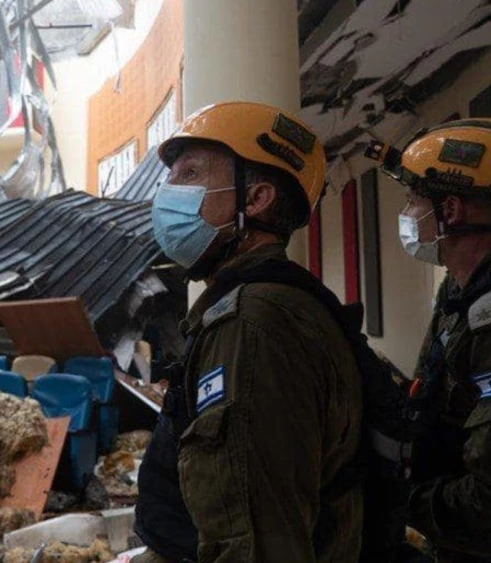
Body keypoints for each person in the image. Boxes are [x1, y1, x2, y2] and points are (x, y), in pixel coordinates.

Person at [134, 101, 364, 563]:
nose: (168, 193)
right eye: (171, 177)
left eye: (190, 174)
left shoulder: (254, 326)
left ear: (256, 199)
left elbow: (257, 541)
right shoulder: (252, 308)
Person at [367, 118, 491, 562]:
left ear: (451, 211)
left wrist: (401, 503)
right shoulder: (462, 293)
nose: (409, 211)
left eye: (415, 198)